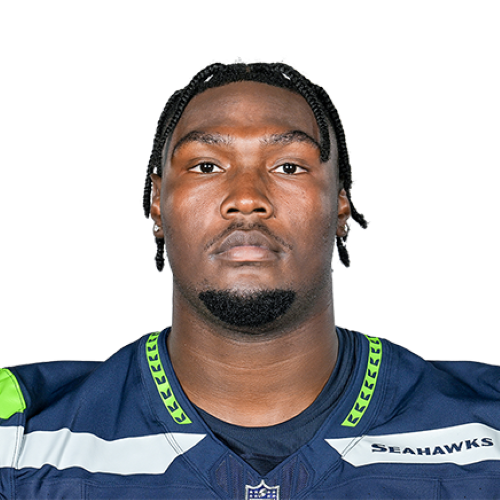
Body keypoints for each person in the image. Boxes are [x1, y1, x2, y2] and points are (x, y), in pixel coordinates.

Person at [1, 59, 498, 499]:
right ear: (157, 204)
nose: (246, 198)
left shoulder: (488, 425)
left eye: (288, 166)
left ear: (341, 205)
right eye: (206, 165)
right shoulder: (21, 435)